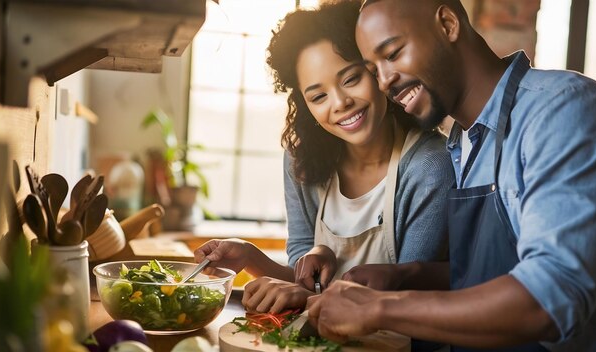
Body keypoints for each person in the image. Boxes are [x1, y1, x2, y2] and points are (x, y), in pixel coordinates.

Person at [307, 0, 596, 351]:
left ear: (449, 24)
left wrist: (380, 308)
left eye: (392, 53)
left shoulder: (562, 110)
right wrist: (405, 276)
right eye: (374, 70)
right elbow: (495, 273)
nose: (385, 81)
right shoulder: (462, 142)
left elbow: (550, 297)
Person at [194, 0, 454, 313]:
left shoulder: (429, 166)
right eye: (319, 96)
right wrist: (252, 257)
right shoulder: (301, 161)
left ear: (376, 71)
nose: (341, 102)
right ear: (306, 106)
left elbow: (406, 296)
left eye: (351, 79)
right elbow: (304, 284)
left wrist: (307, 298)